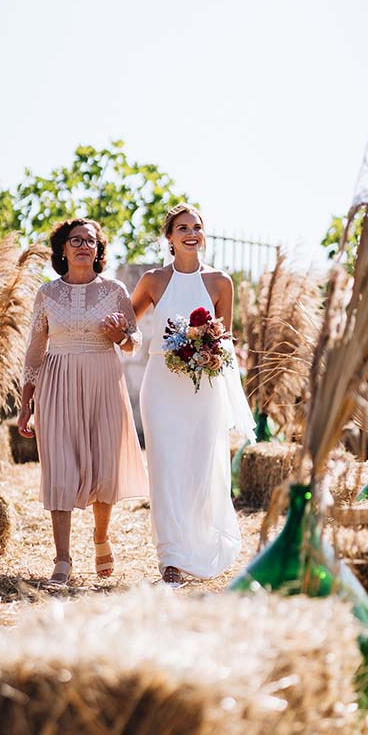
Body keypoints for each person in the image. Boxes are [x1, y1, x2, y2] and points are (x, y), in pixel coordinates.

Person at [18, 217, 148, 585]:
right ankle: (62, 558)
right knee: (60, 467)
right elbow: (34, 349)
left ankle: (101, 536)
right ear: (63, 249)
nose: (82, 246)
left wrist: (119, 334)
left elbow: (134, 342)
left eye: (90, 241)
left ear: (98, 249)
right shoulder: (46, 294)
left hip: (104, 381)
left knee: (104, 465)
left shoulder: (115, 289)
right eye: (75, 240)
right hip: (56, 382)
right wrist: (26, 402)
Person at [132, 204, 255, 587]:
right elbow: (128, 326)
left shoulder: (221, 282)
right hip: (161, 386)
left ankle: (198, 546)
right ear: (169, 237)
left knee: (204, 465)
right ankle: (169, 556)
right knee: (166, 467)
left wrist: (206, 347)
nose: (191, 233)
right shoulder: (153, 280)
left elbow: (225, 337)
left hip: (205, 386)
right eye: (182, 227)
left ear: (204, 234)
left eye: (197, 227)